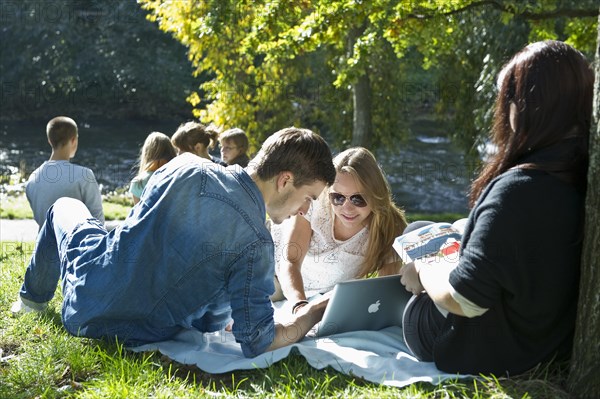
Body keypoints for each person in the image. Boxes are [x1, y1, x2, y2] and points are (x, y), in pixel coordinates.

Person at [11, 127, 336, 357]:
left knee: (65, 208)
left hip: (86, 296)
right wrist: (315, 310)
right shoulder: (257, 245)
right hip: (134, 333)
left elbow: (141, 226)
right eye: (308, 198)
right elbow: (257, 341)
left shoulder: (185, 165)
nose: (305, 209)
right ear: (285, 180)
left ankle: (33, 300)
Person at [399, 40, 593, 375]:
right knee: (424, 229)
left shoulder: (519, 191)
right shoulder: (581, 173)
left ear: (526, 107)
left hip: (488, 347)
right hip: (546, 339)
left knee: (413, 248)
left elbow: (464, 301)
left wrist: (424, 268)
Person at [272, 147, 408, 313]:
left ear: (375, 194)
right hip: (269, 271)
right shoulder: (313, 204)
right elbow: (290, 261)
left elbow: (384, 291)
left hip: (316, 296)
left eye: (358, 199)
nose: (347, 208)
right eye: (338, 197)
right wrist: (300, 306)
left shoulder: (389, 227)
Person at [25, 116, 104, 227]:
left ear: (49, 141)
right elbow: (98, 221)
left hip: (43, 244)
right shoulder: (84, 175)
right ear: (73, 140)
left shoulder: (33, 178)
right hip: (77, 244)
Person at [129, 132, 177, 205]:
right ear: (170, 151)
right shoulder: (177, 176)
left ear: (147, 153)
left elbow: (139, 215)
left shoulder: (138, 183)